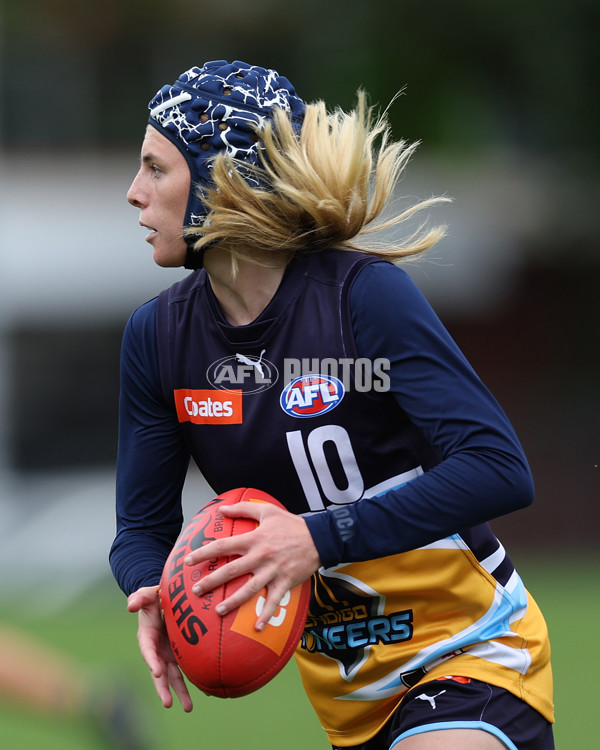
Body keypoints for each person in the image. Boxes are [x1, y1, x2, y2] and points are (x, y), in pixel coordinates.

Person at [109, 59, 555, 749]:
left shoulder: (362, 298)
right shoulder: (159, 339)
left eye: (156, 168)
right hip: (349, 704)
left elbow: (498, 467)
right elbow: (140, 529)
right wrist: (153, 592)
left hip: (471, 651)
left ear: (224, 178)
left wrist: (316, 538)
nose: (135, 193)